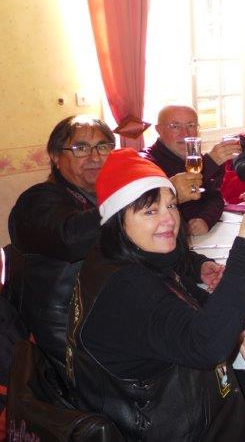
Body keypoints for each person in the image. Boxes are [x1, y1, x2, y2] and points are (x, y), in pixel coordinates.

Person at [65, 149, 245, 440]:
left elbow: (188, 297)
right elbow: (209, 347)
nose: (169, 219)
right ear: (117, 220)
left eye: (171, 205)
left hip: (184, 406)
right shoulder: (124, 288)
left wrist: (243, 328)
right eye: (150, 211)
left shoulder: (120, 256)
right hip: (159, 429)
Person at [5, 115, 213, 370]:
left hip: (123, 316)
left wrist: (197, 266)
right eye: (81, 148)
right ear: (55, 156)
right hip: (72, 346)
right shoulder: (37, 201)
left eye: (102, 147)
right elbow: (70, 239)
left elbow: (140, 247)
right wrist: (155, 194)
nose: (95, 157)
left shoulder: (102, 198)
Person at [141, 105, 241, 235]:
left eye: (191, 125)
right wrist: (211, 162)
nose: (185, 134)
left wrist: (205, 220)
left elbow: (214, 197)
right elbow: (153, 207)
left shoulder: (194, 159)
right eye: (175, 126)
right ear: (159, 130)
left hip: (199, 239)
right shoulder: (145, 162)